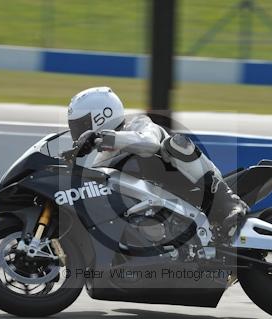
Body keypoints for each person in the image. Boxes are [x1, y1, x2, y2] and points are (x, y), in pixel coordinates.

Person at [65, 86, 248, 238]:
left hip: (194, 187)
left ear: (102, 115)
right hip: (161, 217)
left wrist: (101, 137)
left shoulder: (139, 124)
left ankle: (230, 203)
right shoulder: (100, 161)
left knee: (175, 144)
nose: (79, 132)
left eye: (82, 125)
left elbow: (149, 144)